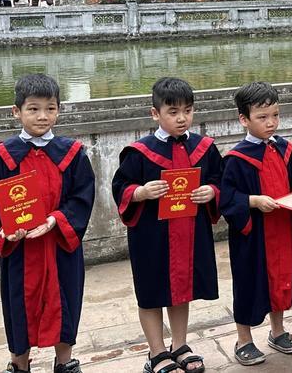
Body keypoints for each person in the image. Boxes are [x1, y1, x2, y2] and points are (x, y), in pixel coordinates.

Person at [0, 74, 95, 373]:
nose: (43, 116)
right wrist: (5, 228)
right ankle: (19, 363)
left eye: (50, 108)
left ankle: (65, 360)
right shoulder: (3, 156)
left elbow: (82, 196)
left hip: (59, 245)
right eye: (33, 108)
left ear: (59, 110)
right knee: (20, 302)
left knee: (65, 299)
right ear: (16, 111)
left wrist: (56, 220)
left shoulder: (71, 154)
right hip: (21, 248)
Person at [111, 77, 221, 373]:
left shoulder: (205, 148)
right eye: (173, 111)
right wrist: (142, 192)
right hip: (151, 236)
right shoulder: (139, 152)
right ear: (155, 113)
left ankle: (180, 345)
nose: (182, 118)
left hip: (190, 231)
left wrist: (212, 192)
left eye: (188, 110)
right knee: (151, 292)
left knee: (181, 289)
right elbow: (120, 187)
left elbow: (218, 181)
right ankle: (157, 352)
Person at [219, 82, 292, 365]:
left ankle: (277, 331)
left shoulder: (284, 149)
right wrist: (254, 202)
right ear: (244, 119)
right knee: (249, 282)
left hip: (281, 228)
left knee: (281, 278)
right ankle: (243, 339)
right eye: (262, 117)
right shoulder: (236, 159)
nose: (271, 123)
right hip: (252, 235)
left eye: (275, 115)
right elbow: (227, 198)